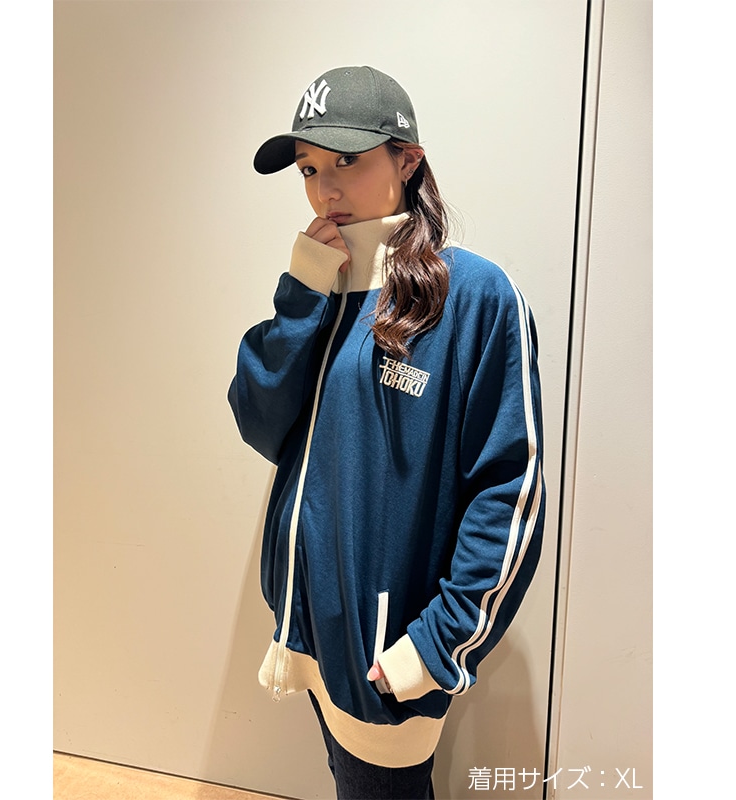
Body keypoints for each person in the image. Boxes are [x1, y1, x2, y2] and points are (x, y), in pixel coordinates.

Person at [228, 65, 545, 800]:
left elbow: (510, 488)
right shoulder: (322, 284)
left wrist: (439, 643)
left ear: (408, 160)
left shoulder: (475, 296)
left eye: (347, 160)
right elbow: (260, 422)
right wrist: (302, 292)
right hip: (311, 632)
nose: (325, 190)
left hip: (390, 656)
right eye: (309, 169)